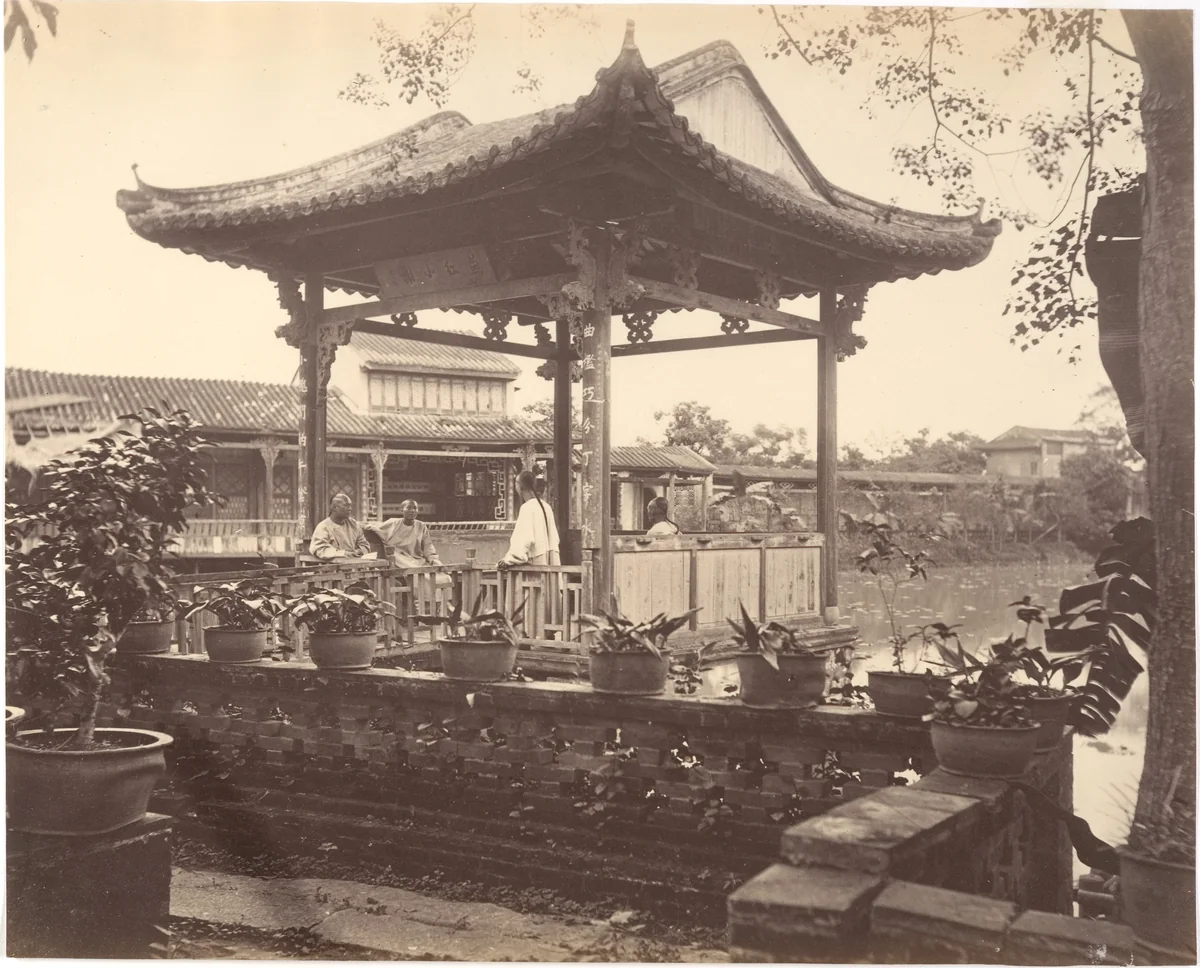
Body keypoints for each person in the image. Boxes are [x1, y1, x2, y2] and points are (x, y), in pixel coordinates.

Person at [365, 500, 451, 585]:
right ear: (402, 510)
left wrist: (434, 560)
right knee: (423, 577)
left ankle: (440, 599)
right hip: (398, 559)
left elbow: (428, 547)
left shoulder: (421, 526)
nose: (412, 511)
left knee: (444, 577)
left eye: (415, 508)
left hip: (417, 560)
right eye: (409, 508)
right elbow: (373, 529)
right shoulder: (393, 522)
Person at [498, 470, 560, 568]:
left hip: (536, 561)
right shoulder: (546, 506)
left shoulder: (527, 508)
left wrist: (509, 559)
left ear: (519, 486)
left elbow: (523, 540)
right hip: (551, 560)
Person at [309, 493, 372, 560]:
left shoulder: (354, 524)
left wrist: (358, 551)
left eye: (350, 506)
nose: (350, 509)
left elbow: (365, 545)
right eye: (346, 505)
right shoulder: (323, 527)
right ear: (334, 507)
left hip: (354, 565)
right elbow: (320, 549)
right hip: (333, 567)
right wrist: (343, 554)